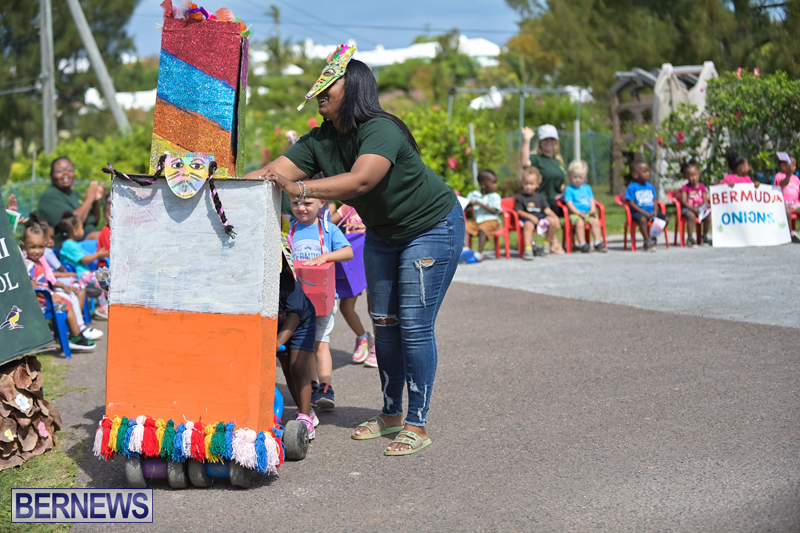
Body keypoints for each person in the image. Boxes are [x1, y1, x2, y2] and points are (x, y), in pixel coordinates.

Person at [247, 45, 464, 455]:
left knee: (414, 325)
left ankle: (417, 423)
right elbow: (270, 174)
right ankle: (391, 413)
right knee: (384, 322)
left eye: (329, 85)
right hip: (384, 234)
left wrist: (301, 187)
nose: (320, 92)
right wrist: (210, 182)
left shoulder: (381, 129)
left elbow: (362, 180)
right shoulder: (320, 140)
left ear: (354, 88)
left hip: (432, 227)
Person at [289, 197, 353, 410]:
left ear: (322, 203)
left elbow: (348, 252)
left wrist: (326, 257)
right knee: (305, 344)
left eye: (307, 203)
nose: (301, 208)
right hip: (298, 299)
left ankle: (326, 387)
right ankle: (312, 384)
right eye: (295, 203)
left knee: (320, 343)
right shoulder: (289, 229)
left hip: (324, 298)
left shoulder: (328, 229)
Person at [19, 221, 96, 351]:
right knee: (66, 303)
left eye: (40, 247)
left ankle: (74, 333)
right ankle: (75, 335)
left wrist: (63, 287)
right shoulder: (29, 264)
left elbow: (48, 279)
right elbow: (33, 287)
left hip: (45, 296)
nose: (37, 251)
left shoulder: (38, 262)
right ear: (24, 246)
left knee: (68, 299)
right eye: (33, 247)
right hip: (40, 300)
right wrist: (52, 295)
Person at [277, 254, 319, 439]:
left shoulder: (289, 282)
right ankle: (305, 409)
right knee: (287, 368)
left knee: (297, 366)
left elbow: (294, 316)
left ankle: (305, 417)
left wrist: (278, 342)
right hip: (277, 326)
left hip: (302, 322)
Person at [330, 203, 377, 368]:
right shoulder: (348, 206)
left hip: (374, 259)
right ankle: (363, 337)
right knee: (346, 307)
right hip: (353, 263)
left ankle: (379, 347)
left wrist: (365, 226)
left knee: (374, 309)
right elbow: (328, 224)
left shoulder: (376, 202)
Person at [37, 157, 105, 242]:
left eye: (69, 170)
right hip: (69, 244)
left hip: (88, 238)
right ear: (51, 175)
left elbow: (94, 222)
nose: (65, 173)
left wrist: (95, 201)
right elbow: (72, 226)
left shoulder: (74, 194)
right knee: (104, 237)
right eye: (59, 171)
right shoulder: (49, 196)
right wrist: (89, 199)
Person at [514, 166, 563, 260]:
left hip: (540, 219)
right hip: (526, 219)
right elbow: (519, 211)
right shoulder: (520, 197)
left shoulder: (540, 197)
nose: (528, 186)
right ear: (522, 183)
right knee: (528, 225)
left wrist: (555, 218)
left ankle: (547, 244)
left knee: (551, 221)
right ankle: (528, 250)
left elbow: (547, 210)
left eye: (531, 184)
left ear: (537, 184)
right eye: (526, 183)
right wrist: (530, 216)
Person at [521, 124, 567, 217]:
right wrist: (526, 141)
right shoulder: (536, 159)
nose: (549, 142)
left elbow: (560, 184)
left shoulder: (557, 161)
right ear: (540, 142)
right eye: (545, 139)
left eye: (552, 139)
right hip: (542, 202)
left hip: (557, 201)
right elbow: (525, 163)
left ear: (556, 142)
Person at [563, 160, 606, 253]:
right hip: (575, 214)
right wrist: (578, 213)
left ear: (585, 178)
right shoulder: (569, 189)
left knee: (595, 221)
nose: (578, 179)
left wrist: (593, 210)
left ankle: (597, 242)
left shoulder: (587, 188)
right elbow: (569, 204)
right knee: (579, 223)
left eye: (580, 177)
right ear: (570, 177)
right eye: (575, 177)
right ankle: (582, 244)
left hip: (588, 213)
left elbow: (592, 200)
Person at [625, 160, 668, 253]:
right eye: (645, 171)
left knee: (665, 219)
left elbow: (655, 199)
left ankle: (653, 237)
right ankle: (646, 241)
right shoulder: (632, 187)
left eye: (648, 171)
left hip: (651, 212)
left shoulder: (650, 186)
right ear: (635, 174)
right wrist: (644, 213)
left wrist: (655, 210)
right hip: (638, 213)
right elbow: (631, 203)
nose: (648, 173)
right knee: (643, 220)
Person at [462, 169, 502, 261]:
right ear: (483, 184)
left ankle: (479, 254)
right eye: (493, 183)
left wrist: (481, 205)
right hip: (477, 220)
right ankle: (466, 250)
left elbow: (495, 211)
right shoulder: (473, 194)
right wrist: (470, 205)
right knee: (466, 228)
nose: (495, 185)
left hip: (492, 221)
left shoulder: (495, 196)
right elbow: (466, 209)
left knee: (482, 229)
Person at [56, 212, 109, 279]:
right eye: (81, 228)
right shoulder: (69, 245)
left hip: (84, 274)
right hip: (80, 275)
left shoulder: (73, 244)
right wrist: (97, 255)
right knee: (104, 278)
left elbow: (84, 256)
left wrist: (96, 254)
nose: (82, 230)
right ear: (75, 232)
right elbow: (84, 259)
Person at [679, 161, 712, 247]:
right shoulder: (685, 188)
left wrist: (704, 207)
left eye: (695, 175)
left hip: (700, 208)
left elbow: (705, 200)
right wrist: (693, 209)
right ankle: (690, 238)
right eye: (691, 176)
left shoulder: (702, 187)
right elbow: (684, 201)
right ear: (686, 177)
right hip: (688, 209)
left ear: (699, 174)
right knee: (691, 216)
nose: (694, 178)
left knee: (708, 216)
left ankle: (704, 236)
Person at [774, 153, 800, 243]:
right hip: (783, 203)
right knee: (787, 211)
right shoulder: (779, 176)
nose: (794, 167)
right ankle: (790, 233)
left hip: (795, 203)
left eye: (795, 165)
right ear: (783, 166)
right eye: (792, 165)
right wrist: (788, 174)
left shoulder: (796, 179)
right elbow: (783, 183)